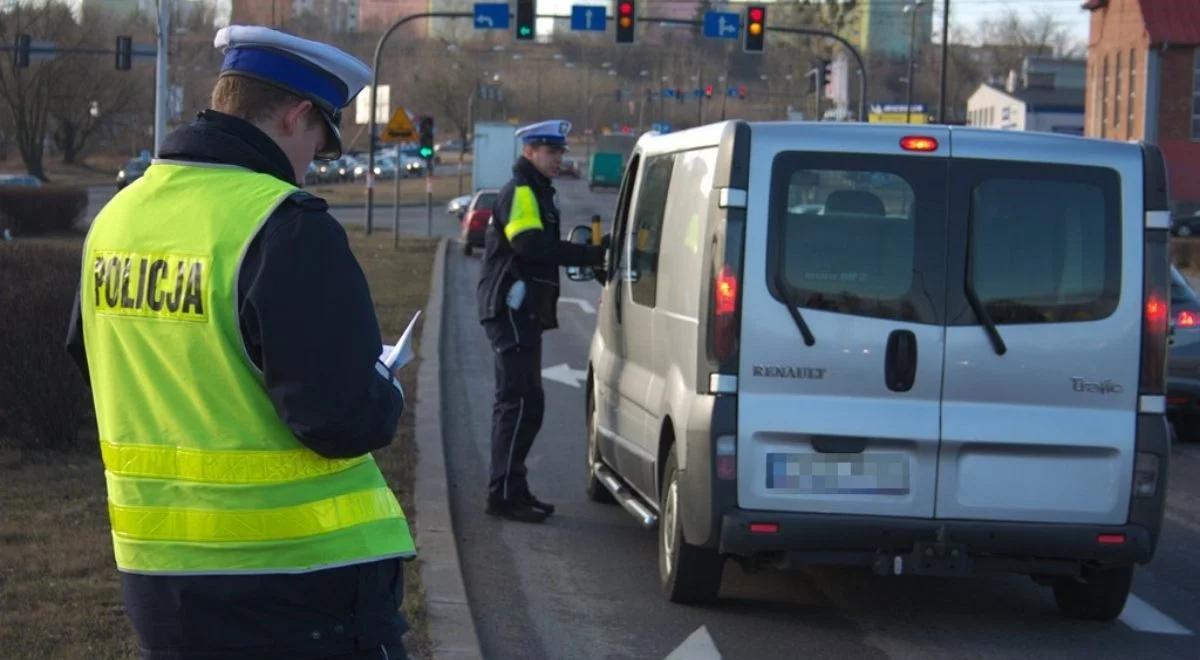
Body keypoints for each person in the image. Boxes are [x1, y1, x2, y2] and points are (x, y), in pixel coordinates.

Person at [64, 26, 415, 659]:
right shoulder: (283, 224)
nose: (311, 163)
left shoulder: (115, 218)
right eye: (319, 143)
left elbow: (101, 363)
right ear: (295, 113)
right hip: (300, 582)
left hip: (158, 580)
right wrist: (384, 383)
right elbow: (339, 418)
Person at [476, 119, 606, 523]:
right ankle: (502, 495)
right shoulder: (521, 193)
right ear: (530, 151)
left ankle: (514, 487)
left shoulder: (537, 192)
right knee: (517, 403)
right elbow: (529, 246)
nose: (557, 159)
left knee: (526, 403)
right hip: (510, 309)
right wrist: (589, 255)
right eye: (551, 152)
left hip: (523, 312)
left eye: (560, 152)